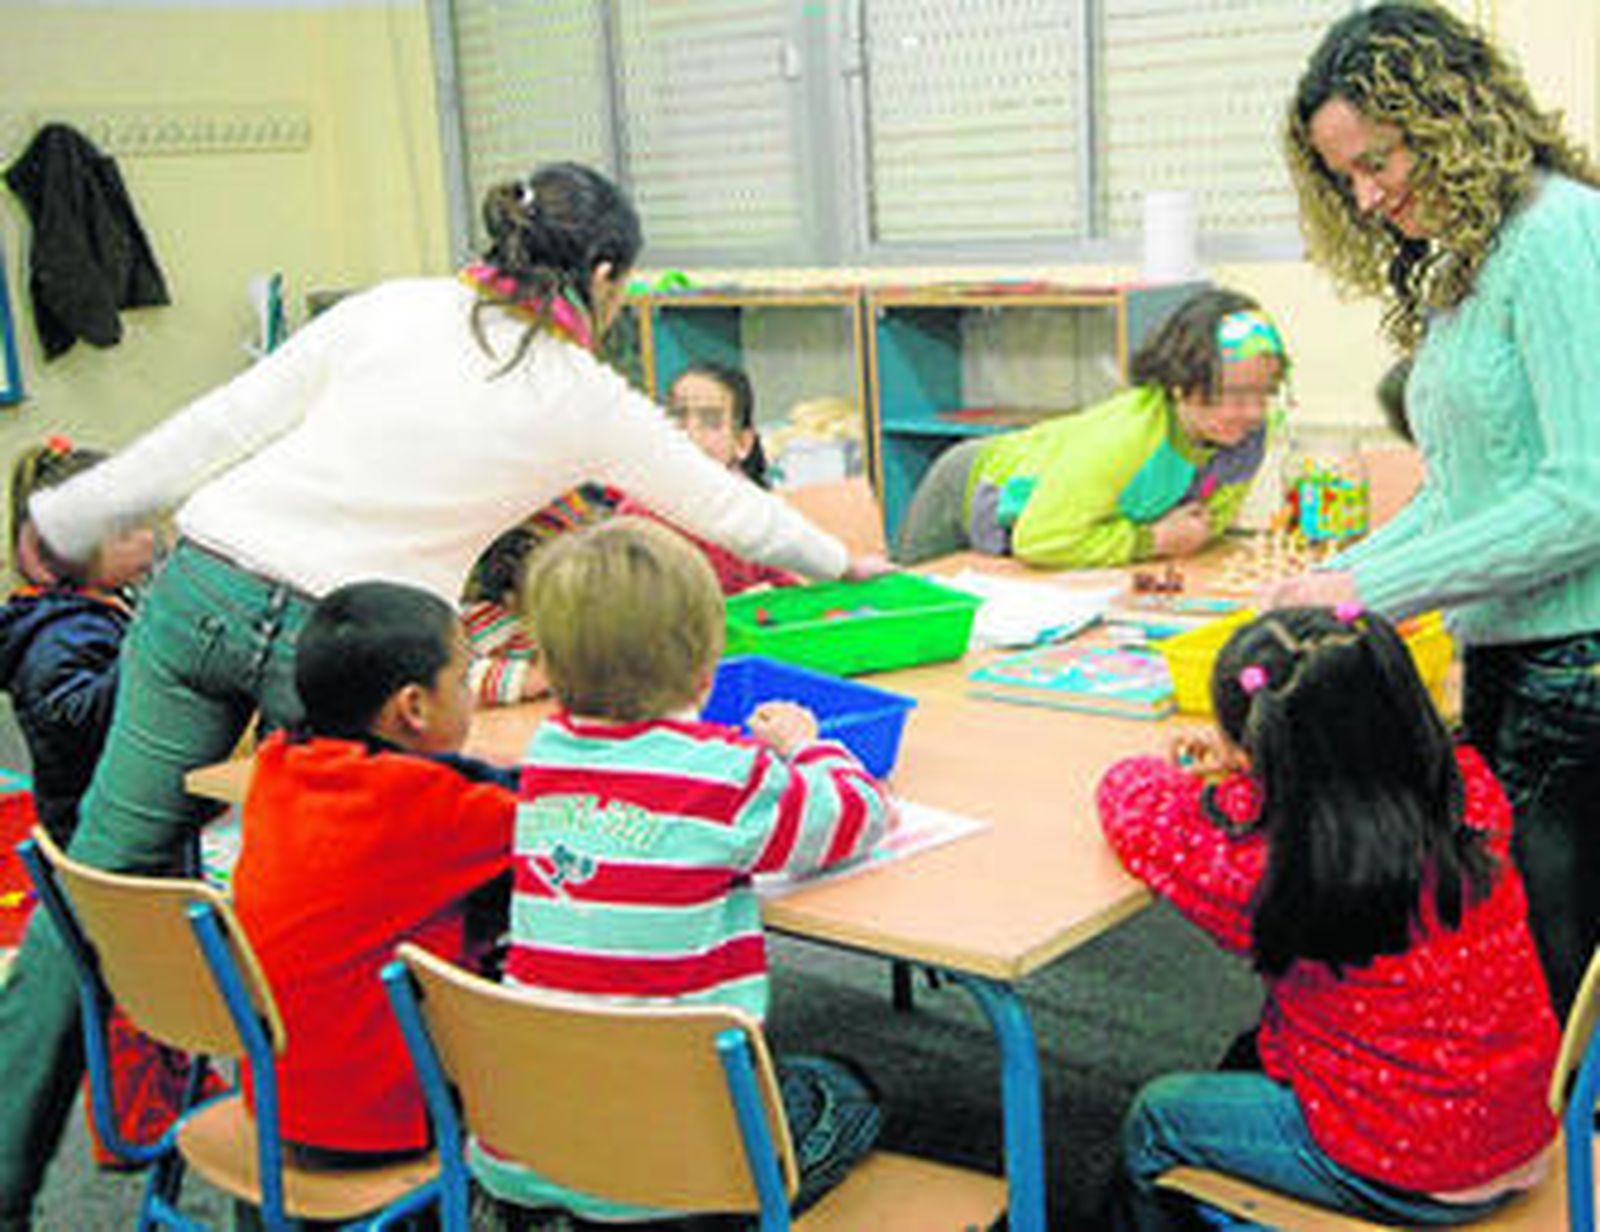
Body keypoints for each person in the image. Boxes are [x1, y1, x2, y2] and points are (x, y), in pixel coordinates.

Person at [0, 161, 884, 1230]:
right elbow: (729, 512)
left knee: (105, 876)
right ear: (603, 276)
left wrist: (81, 508)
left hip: (204, 579)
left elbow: (213, 426)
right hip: (356, 642)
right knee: (450, 863)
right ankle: (540, 1125)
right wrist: (848, 564)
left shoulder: (393, 306)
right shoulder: (580, 390)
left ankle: (37, 1166)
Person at [1267, 0, 1600, 1019]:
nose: (1365, 198)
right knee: (1518, 963)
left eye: (1377, 162)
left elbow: (1581, 495)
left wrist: (1366, 582)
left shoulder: (1552, 234)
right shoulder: (1471, 257)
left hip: (1576, 665)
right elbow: (1467, 496)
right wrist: (1335, 581)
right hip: (1517, 658)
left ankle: (1570, 1179)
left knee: (1550, 979)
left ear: (1448, 116)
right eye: (1344, 180)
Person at [472, 518, 892, 1227]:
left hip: (523, 1152)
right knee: (846, 1090)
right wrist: (808, 746)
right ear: (706, 664)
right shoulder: (725, 777)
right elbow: (855, 815)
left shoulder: (544, 761)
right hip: (678, 1178)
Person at [1098, 606, 1559, 1230]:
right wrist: (1250, 763)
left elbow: (1132, 802)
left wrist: (1218, 769)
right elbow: (1327, 788)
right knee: (1253, 1048)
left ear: (1270, 755)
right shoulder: (1472, 797)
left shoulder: (1271, 871)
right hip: (1522, 1126)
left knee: (1158, 1116)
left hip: (1413, 1167)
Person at [231, 581, 515, 1170]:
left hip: (276, 1105)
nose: (469, 695)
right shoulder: (428, 806)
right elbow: (559, 819)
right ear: (412, 707)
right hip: (383, 1120)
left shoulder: (279, 766)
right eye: (463, 681)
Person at [891, 287, 1290, 568]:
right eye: (1234, 396)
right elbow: (1040, 539)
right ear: (1182, 382)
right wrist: (1150, 541)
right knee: (905, 612)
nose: (1253, 412)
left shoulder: (1246, 434)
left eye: (1264, 394)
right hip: (973, 487)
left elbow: (1206, 521)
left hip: (1064, 525)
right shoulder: (1129, 437)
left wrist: (1173, 537)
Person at [0, 437, 156, 844]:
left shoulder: (102, 603)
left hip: (128, 816)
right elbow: (77, 723)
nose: (149, 537)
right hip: (97, 832)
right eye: (127, 531)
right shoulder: (53, 633)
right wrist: (152, 646)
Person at [614, 361, 802, 595]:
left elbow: (785, 587)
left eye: (710, 422)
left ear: (742, 443)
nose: (690, 434)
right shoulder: (639, 517)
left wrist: (771, 596)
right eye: (677, 419)